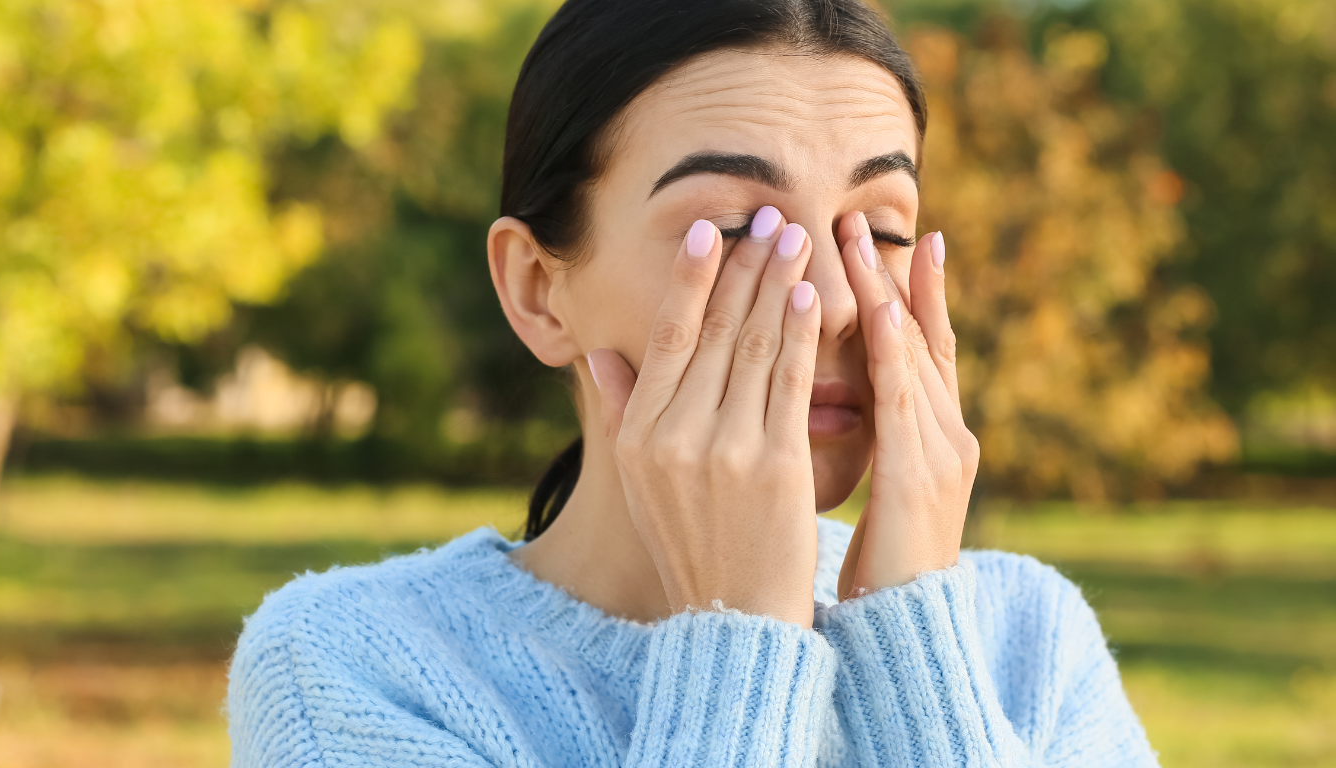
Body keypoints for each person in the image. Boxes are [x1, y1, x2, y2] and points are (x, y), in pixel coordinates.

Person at [228, 0, 1160, 765]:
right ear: (537, 290)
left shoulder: (1027, 644)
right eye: (739, 229)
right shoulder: (352, 665)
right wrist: (738, 643)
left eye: (880, 229)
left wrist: (917, 647)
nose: (835, 298)